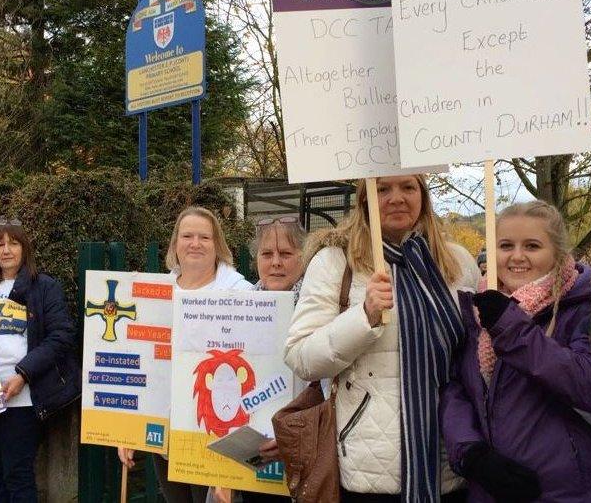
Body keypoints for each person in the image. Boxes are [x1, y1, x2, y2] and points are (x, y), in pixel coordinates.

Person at [285, 176, 480, 502]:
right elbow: (301, 357)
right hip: (370, 470)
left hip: (450, 463)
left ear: (423, 196)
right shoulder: (336, 262)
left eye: (408, 187)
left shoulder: (458, 262)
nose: (397, 198)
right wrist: (364, 317)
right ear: (364, 199)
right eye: (383, 189)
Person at [440, 201, 591, 502]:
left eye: (533, 246)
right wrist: (471, 453)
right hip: (491, 490)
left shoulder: (585, 307)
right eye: (506, 245)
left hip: (568, 490)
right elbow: (455, 388)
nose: (517, 256)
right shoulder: (477, 309)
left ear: (558, 253)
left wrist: (511, 328)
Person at [118, 206, 253, 503]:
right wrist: (127, 431)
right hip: (167, 432)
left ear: (217, 244)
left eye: (204, 237)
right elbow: (143, 364)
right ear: (175, 243)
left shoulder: (240, 294)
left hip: (217, 435)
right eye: (187, 235)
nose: (195, 243)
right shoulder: (156, 293)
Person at [0, 219, 79, 502]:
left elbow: (61, 336)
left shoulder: (44, 286)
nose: (6, 250)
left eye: (13, 243)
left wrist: (23, 374)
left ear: (25, 248)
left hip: (23, 395)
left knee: (17, 475)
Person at [243, 217, 307, 503]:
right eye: (267, 254)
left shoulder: (318, 305)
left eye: (286, 254)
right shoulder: (239, 306)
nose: (276, 262)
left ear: (303, 259)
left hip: (304, 451)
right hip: (253, 454)